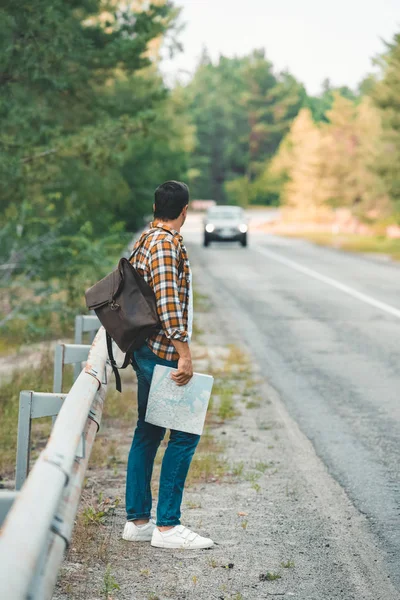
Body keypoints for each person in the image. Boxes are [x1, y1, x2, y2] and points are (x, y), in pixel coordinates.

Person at [122, 181, 214, 550]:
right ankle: (168, 527)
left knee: (147, 433)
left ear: (157, 205)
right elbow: (168, 305)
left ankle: (139, 522)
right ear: (185, 210)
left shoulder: (148, 238)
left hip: (149, 349)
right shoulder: (162, 245)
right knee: (185, 435)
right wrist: (184, 353)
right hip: (161, 351)